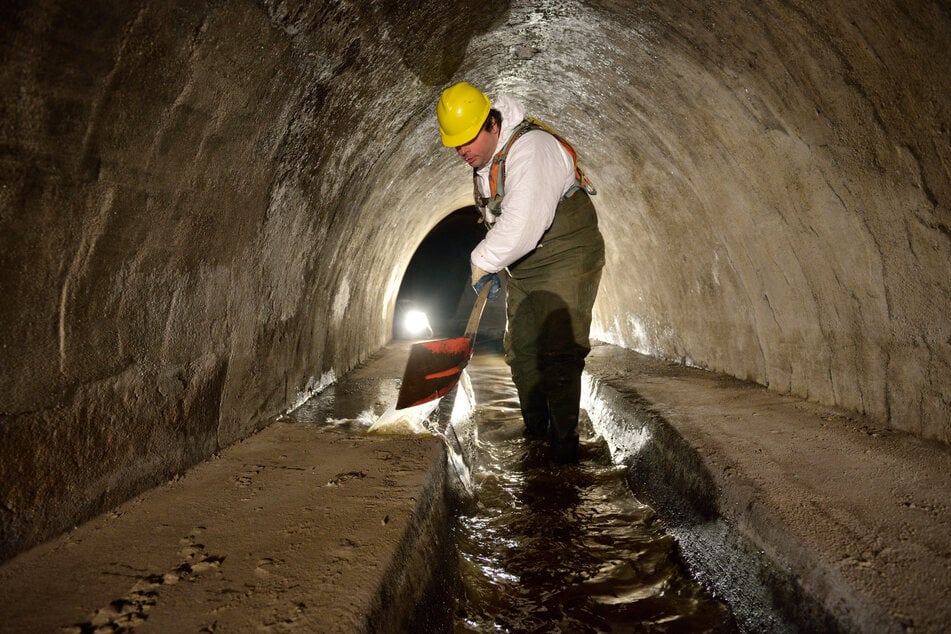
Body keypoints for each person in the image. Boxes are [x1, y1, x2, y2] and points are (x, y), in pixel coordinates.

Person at [436, 81, 605, 463]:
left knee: (559, 352)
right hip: (526, 262)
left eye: (467, 140)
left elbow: (525, 222)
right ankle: (536, 435)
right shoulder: (485, 161)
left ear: (491, 123)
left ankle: (564, 454)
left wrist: (484, 261)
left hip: (567, 254)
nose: (462, 151)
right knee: (521, 350)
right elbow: (502, 220)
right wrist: (498, 258)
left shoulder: (532, 148)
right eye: (455, 144)